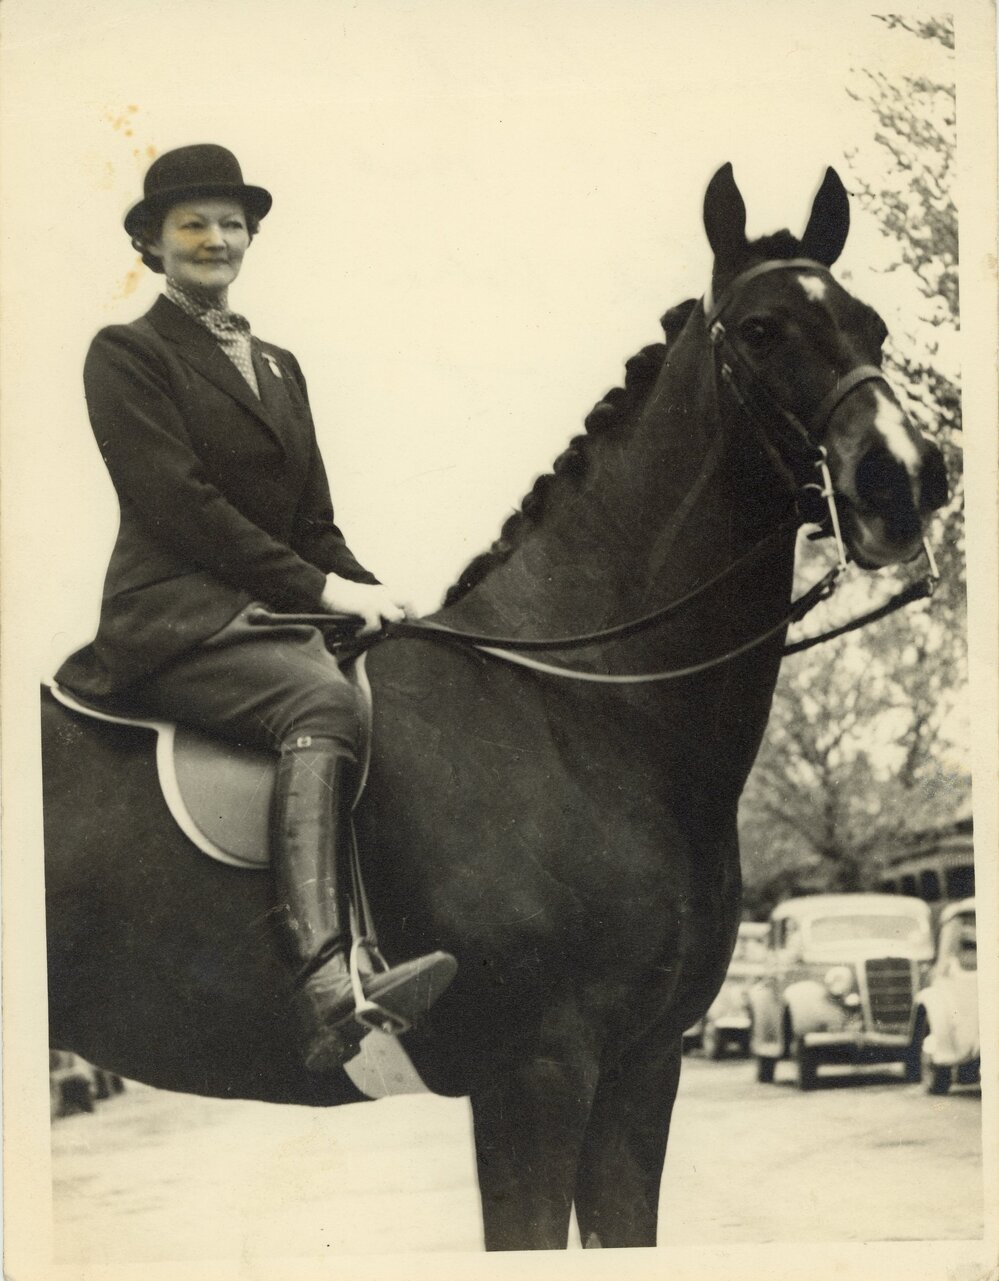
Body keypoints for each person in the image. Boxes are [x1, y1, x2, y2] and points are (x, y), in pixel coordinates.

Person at [55, 144, 456, 1073]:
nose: (215, 239)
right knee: (320, 704)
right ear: (151, 244)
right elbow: (181, 504)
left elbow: (312, 522)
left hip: (273, 607)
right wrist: (322, 592)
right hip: (175, 614)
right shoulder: (127, 353)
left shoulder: (278, 363)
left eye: (232, 223)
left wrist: (381, 596)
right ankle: (327, 982)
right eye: (192, 223)